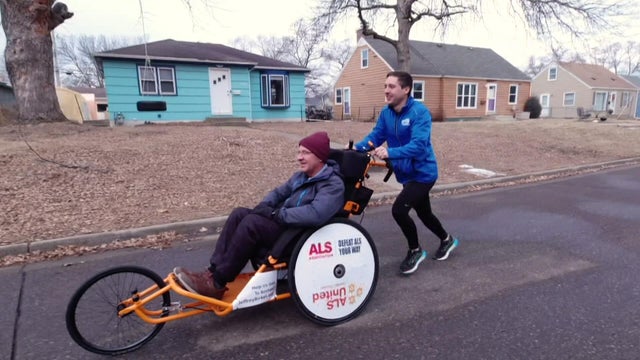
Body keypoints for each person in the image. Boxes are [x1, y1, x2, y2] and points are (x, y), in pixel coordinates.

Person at [173, 131, 345, 299]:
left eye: (305, 153)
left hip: (299, 235)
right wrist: (264, 206)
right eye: (299, 152)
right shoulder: (300, 177)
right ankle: (212, 272)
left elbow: (315, 213)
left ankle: (217, 282)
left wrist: (277, 214)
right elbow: (278, 193)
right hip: (286, 225)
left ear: (320, 156)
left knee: (252, 224)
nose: (299, 157)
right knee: (239, 213)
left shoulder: (332, 184)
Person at [354, 71, 459, 275]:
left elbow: (419, 146)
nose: (386, 90)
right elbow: (376, 135)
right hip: (405, 173)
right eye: (385, 86)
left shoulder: (420, 113)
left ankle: (415, 250)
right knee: (424, 212)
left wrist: (390, 152)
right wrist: (356, 149)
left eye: (391, 86)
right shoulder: (387, 113)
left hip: (423, 174)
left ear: (406, 89)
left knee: (399, 210)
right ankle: (447, 240)